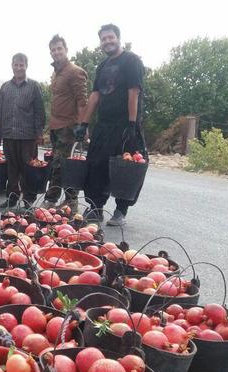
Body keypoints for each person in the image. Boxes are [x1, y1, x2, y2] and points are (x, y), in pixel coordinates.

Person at [75, 23, 147, 226]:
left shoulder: (131, 61)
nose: (107, 41)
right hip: (104, 125)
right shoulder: (103, 66)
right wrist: (84, 123)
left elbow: (134, 92)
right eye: (103, 39)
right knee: (95, 165)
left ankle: (121, 211)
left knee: (126, 169)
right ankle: (96, 207)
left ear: (118, 38)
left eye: (110, 37)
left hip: (125, 124)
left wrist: (132, 125)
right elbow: (95, 95)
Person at [42, 34, 89, 213]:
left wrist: (83, 125)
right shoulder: (56, 73)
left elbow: (82, 100)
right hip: (56, 127)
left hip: (69, 127)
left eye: (59, 48)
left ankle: (55, 200)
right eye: (53, 50)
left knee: (62, 165)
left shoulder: (75, 71)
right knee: (61, 164)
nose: (56, 52)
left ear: (66, 50)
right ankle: (68, 201)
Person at [0, 53, 45, 209]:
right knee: (12, 169)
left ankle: (28, 199)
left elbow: (39, 111)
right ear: (12, 66)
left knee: (28, 168)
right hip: (9, 135)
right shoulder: (5, 87)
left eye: (21, 65)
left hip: (28, 136)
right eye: (16, 64)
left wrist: (39, 132)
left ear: (26, 66)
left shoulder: (34, 86)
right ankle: (12, 198)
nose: (19, 67)